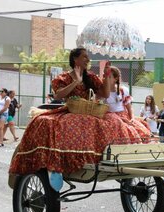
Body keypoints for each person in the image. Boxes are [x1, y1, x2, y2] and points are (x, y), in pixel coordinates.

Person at [9, 48, 151, 175]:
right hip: (72, 110)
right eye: (84, 57)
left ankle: (108, 156)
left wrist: (107, 75)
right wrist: (76, 81)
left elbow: (105, 94)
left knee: (114, 122)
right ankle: (67, 160)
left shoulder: (91, 77)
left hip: (91, 110)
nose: (88, 60)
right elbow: (58, 95)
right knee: (49, 122)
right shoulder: (63, 77)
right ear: (75, 59)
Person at [103, 65, 150, 138]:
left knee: (139, 129)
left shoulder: (123, 90)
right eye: (104, 77)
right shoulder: (102, 92)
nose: (105, 79)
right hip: (109, 117)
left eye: (109, 77)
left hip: (123, 115)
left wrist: (132, 118)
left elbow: (129, 107)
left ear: (116, 79)